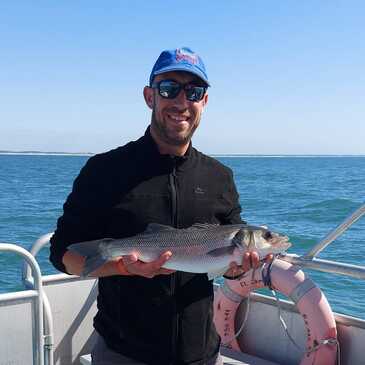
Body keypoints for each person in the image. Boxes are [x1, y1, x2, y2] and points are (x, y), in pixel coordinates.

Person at [49, 47, 264, 365]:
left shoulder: (220, 177)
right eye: (169, 89)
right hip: (124, 353)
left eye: (193, 91)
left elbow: (229, 264)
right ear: (150, 97)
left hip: (202, 354)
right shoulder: (104, 170)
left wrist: (238, 269)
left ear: (204, 102)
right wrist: (121, 267)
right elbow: (63, 254)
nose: (181, 102)